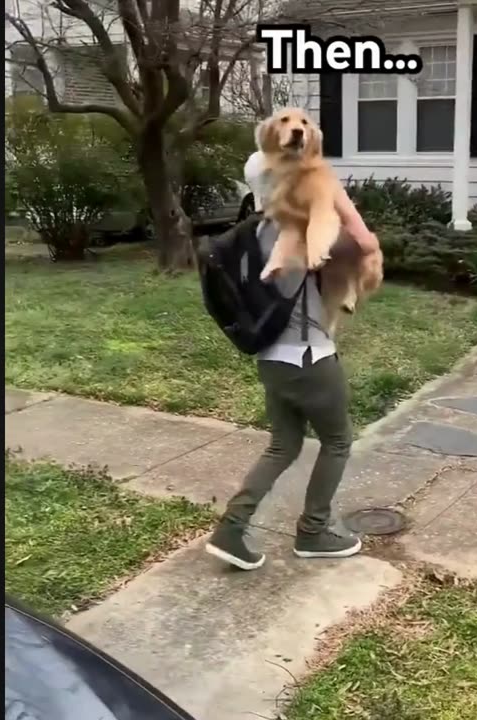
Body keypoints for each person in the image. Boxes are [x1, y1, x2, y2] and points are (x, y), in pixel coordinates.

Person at [203, 150, 381, 571]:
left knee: (283, 445)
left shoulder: (251, 233)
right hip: (310, 358)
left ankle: (231, 527)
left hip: (272, 359)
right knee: (337, 442)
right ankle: (313, 531)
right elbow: (364, 243)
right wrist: (329, 186)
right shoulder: (303, 232)